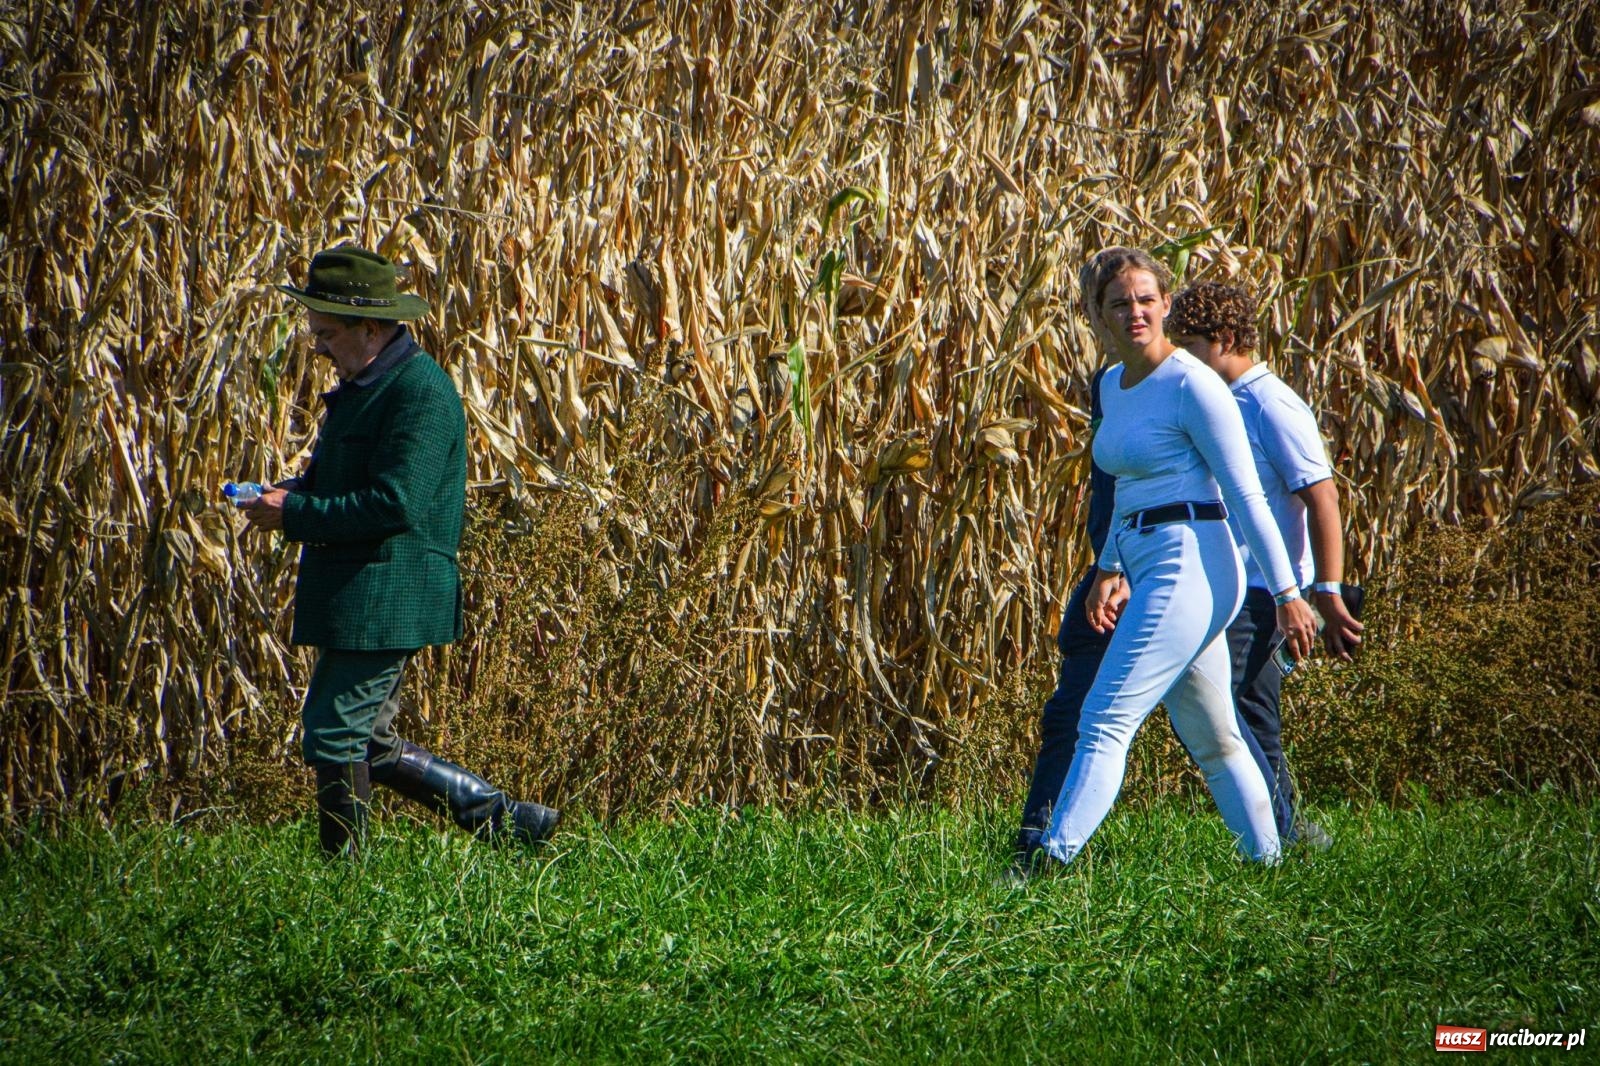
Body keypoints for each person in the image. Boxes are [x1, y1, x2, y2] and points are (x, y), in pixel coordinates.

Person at [241, 245, 559, 857]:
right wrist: (287, 496)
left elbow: (395, 503)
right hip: (364, 591)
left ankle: (347, 886)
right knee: (371, 743)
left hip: (391, 593)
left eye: (328, 334)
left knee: (335, 732)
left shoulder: (420, 393)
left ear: (370, 326)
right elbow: (348, 484)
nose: (319, 348)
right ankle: (513, 824)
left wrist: (296, 512)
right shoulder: (365, 386)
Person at [1035, 247, 1318, 869]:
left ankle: (1045, 865)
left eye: (1145, 299)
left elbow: (1244, 495)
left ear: (1165, 304)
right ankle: (1271, 865)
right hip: (1142, 556)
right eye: (1118, 303)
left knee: (1104, 719)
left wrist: (1288, 595)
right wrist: (1109, 567)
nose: (1134, 312)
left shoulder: (1194, 384)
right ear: (1097, 314)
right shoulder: (1114, 385)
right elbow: (1128, 486)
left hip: (1191, 560)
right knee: (1216, 739)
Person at [1166, 280, 1363, 846]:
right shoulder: (1212, 400)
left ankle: (1285, 834)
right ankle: (1275, 829)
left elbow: (1321, 496)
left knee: (1244, 711)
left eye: (1190, 345)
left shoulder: (1269, 403)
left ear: (1226, 339)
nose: (1180, 356)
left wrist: (1325, 590)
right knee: (1223, 709)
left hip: (1265, 593)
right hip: (1227, 586)